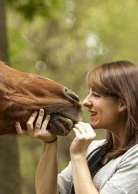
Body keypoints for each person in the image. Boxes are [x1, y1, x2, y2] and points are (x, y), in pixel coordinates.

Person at [16, 61, 138, 194]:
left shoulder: (135, 157)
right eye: (89, 93)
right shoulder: (94, 149)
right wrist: (49, 142)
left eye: (96, 95)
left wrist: (78, 156)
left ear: (122, 104)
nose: (85, 102)